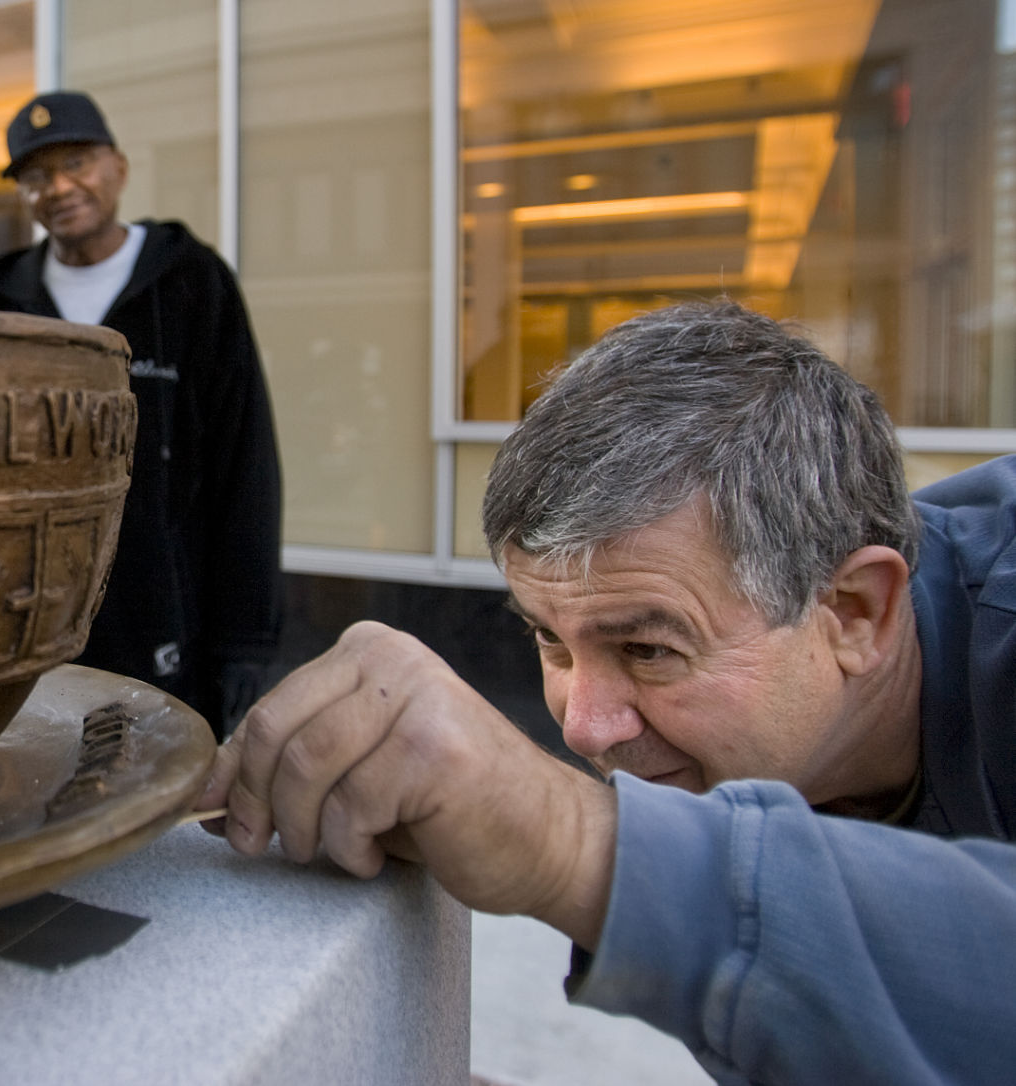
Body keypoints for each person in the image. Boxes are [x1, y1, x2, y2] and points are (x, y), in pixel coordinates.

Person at [202, 300, 1016, 1084]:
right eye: (548, 639)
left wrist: (571, 842)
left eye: (647, 649)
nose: (585, 729)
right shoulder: (776, 724)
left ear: (851, 612)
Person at [0, 90, 283, 738]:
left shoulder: (194, 283)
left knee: (157, 810)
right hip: (30, 628)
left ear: (117, 165)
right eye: (34, 176)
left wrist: (245, 640)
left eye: (76, 162)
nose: (58, 187)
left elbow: (244, 461)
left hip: (167, 621)